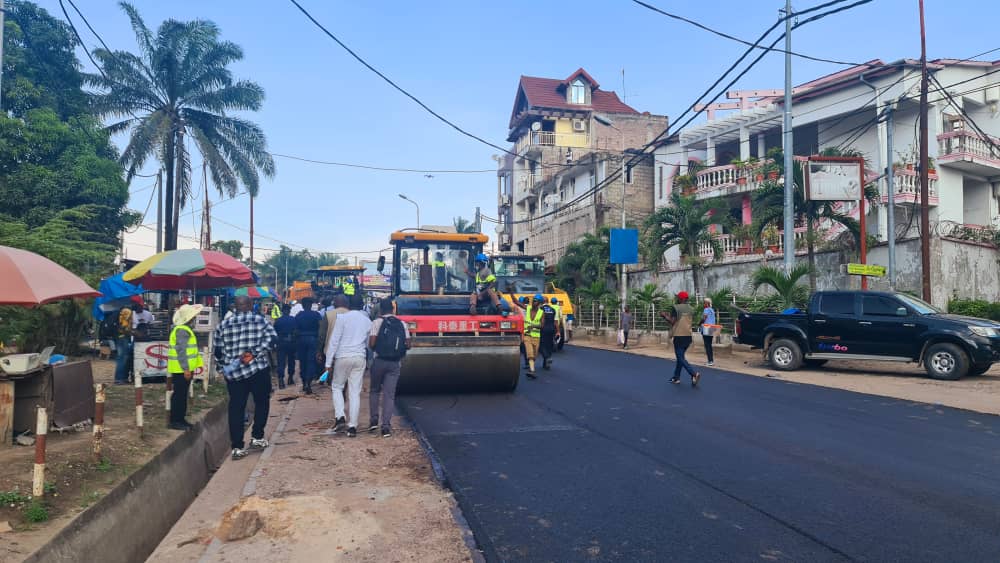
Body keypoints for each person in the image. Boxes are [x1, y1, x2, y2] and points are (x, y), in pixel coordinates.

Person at [213, 296, 277, 460]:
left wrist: (224, 368)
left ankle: (236, 447)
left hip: (235, 375)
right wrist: (253, 353)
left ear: (235, 306)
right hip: (258, 370)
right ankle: (257, 436)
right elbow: (272, 340)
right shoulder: (260, 321)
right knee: (262, 402)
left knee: (236, 407)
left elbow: (218, 352)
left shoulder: (223, 325)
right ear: (250, 305)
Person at [325, 294, 372, 437]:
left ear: (349, 305)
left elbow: (334, 341)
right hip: (359, 357)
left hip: (342, 357)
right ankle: (352, 427)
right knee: (354, 392)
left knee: (337, 387)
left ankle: (340, 416)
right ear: (362, 305)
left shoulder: (342, 318)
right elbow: (368, 344)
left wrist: (328, 363)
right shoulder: (367, 321)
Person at [367, 297, 410, 437]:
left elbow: (372, 343)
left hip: (379, 361)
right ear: (393, 309)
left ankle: (374, 420)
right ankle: (385, 426)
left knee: (374, 390)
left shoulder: (377, 322)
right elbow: (408, 344)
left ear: (380, 309)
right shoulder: (402, 323)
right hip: (394, 363)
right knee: (389, 395)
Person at [167, 304, 204, 430]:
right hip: (181, 369)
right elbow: (181, 351)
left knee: (181, 394)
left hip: (182, 368)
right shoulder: (182, 330)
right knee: (180, 395)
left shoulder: (183, 329)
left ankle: (180, 419)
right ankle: (175, 420)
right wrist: (186, 369)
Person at [660, 291, 700, 387]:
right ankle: (676, 377)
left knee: (680, 357)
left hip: (679, 335)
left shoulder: (676, 307)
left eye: (678, 297)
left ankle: (693, 374)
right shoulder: (691, 308)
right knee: (680, 357)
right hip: (688, 336)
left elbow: (672, 321)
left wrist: (665, 316)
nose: (677, 298)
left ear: (681, 299)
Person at [511, 293, 544, 378]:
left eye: (536, 301)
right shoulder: (528, 308)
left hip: (536, 337)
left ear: (539, 303)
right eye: (533, 301)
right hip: (527, 335)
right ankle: (532, 371)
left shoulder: (541, 313)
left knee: (534, 355)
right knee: (530, 354)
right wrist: (511, 292)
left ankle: (531, 367)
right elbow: (516, 302)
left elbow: (542, 325)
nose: (533, 302)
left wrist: (533, 326)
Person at [294, 297, 322, 394]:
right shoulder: (316, 315)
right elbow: (320, 328)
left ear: (302, 305)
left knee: (303, 361)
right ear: (310, 305)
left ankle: (304, 380)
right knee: (311, 361)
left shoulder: (298, 316)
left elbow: (295, 330)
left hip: (301, 340)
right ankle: (308, 382)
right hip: (313, 340)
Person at [273, 304, 297, 388]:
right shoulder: (293, 320)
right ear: (289, 311)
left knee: (281, 362)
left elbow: (274, 333)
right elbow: (296, 332)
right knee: (291, 361)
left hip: (281, 343)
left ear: (282, 311)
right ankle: (290, 378)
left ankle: (281, 380)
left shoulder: (278, 321)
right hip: (291, 343)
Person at [114, 305, 134, 385]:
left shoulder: (122, 310)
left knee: (122, 358)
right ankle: (119, 379)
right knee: (122, 358)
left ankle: (123, 378)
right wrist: (131, 332)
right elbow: (124, 326)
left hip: (120, 337)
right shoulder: (127, 311)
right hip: (122, 337)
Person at [537, 298, 558, 369]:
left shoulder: (540, 309)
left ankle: (547, 357)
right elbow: (555, 321)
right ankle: (545, 364)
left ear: (541, 302)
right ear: (548, 302)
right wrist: (557, 331)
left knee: (541, 345)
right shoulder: (553, 310)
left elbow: (538, 320)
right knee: (549, 345)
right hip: (551, 329)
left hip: (543, 329)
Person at [700, 297, 717, 366]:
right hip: (712, 328)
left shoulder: (706, 309)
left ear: (707, 303)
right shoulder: (712, 310)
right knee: (709, 345)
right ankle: (711, 360)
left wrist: (699, 323)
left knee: (707, 345)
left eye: (704, 302)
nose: (703, 304)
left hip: (706, 328)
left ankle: (710, 361)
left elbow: (704, 318)